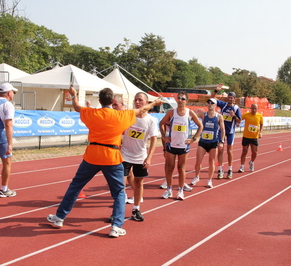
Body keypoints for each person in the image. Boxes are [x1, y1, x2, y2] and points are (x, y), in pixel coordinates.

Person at [46, 87, 163, 238]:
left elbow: (76, 107)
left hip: (92, 156)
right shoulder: (122, 115)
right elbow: (142, 110)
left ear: (100, 101)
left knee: (75, 187)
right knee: (119, 193)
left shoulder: (92, 113)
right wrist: (154, 103)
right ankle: (116, 226)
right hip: (111, 156)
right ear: (113, 101)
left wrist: (74, 95)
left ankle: (60, 218)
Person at [121, 92, 158, 221]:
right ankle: (118, 211)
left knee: (138, 183)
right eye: (136, 100)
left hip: (140, 156)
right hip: (124, 155)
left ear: (146, 103)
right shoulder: (130, 116)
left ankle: (136, 209)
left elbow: (154, 139)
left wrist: (149, 157)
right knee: (121, 184)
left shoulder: (151, 120)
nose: (137, 102)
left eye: (140, 100)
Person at [159, 91, 203, 200]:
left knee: (181, 168)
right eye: (178, 98)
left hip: (184, 146)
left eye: (183, 99)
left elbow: (200, 126)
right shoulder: (171, 112)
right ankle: (169, 190)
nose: (180, 100)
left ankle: (180, 191)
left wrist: (193, 139)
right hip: (172, 145)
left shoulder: (190, 113)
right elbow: (161, 123)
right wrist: (164, 136)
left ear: (186, 101)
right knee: (169, 168)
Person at [191, 98, 225, 188]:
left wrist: (221, 142)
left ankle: (209, 180)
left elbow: (222, 130)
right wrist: (192, 112)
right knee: (198, 161)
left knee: (211, 162)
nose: (209, 104)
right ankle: (196, 176)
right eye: (208, 103)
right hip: (203, 142)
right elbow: (192, 115)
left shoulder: (219, 117)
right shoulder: (203, 115)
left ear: (215, 105)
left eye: (212, 103)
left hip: (213, 143)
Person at [210, 83, 241, 179]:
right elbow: (212, 99)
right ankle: (220, 169)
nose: (230, 99)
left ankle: (230, 169)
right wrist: (216, 90)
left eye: (232, 98)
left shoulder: (236, 108)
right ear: (227, 98)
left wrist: (234, 116)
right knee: (220, 150)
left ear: (234, 99)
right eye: (229, 97)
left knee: (229, 151)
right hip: (221, 131)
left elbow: (239, 120)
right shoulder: (223, 105)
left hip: (230, 132)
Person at [238, 104, 263, 173]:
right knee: (244, 151)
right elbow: (239, 119)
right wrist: (237, 122)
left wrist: (260, 132)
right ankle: (242, 166)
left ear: (257, 109)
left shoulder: (260, 116)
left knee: (255, 152)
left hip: (255, 137)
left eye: (255, 108)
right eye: (253, 108)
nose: (254, 110)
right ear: (250, 108)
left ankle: (251, 162)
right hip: (246, 136)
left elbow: (261, 124)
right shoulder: (246, 114)